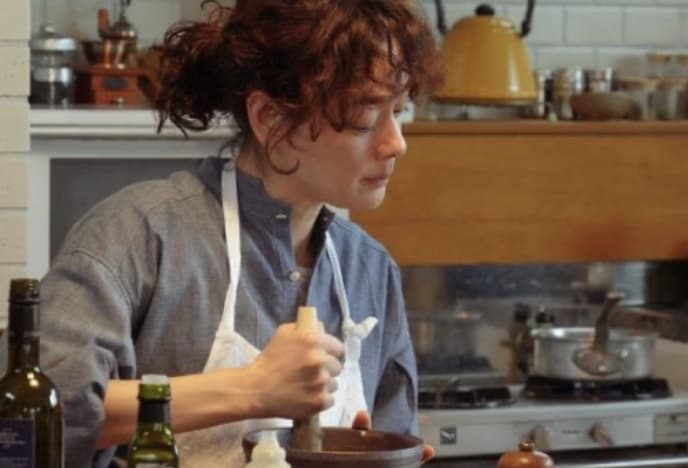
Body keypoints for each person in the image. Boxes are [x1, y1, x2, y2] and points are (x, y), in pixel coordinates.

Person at [6, 0, 442, 466]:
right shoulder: (140, 233)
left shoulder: (371, 271)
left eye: (399, 111)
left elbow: (396, 429)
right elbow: (35, 415)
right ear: (270, 118)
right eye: (364, 119)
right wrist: (251, 388)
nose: (396, 143)